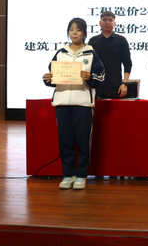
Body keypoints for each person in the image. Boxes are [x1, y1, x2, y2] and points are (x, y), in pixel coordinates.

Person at [43, 18, 105, 190]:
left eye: (78, 30)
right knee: (65, 140)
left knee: (83, 140)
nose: (74, 33)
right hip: (62, 102)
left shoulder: (91, 54)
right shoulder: (61, 53)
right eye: (71, 29)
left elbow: (101, 77)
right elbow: (52, 76)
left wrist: (90, 77)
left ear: (84, 32)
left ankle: (81, 176)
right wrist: (47, 79)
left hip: (83, 103)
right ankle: (68, 174)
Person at [89, 11, 133, 99]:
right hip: (96, 86)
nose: (107, 22)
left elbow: (127, 63)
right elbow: (89, 63)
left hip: (115, 86)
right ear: (100, 23)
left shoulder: (121, 40)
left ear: (114, 24)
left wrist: (125, 83)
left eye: (110, 20)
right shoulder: (93, 41)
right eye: (104, 20)